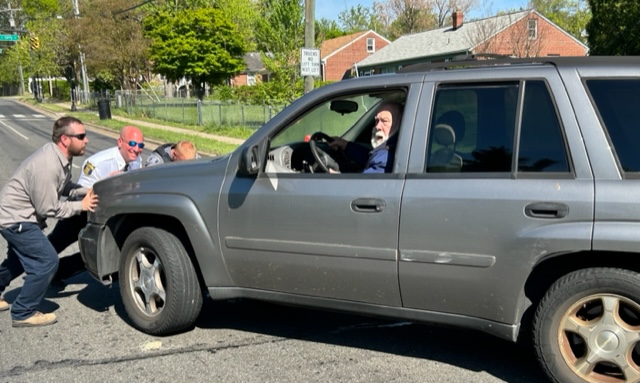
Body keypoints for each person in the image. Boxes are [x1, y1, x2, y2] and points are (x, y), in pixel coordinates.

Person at [0, 116, 99, 327]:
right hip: (16, 219)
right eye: (81, 136)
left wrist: (85, 191)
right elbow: (49, 208)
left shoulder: (61, 157)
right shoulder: (47, 164)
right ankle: (23, 311)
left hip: (16, 216)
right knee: (46, 261)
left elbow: (63, 186)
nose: (86, 140)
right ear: (65, 139)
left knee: (18, 262)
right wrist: (81, 206)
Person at [47, 125, 144, 285]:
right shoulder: (98, 162)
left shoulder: (136, 160)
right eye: (132, 144)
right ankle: (13, 272)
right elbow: (81, 192)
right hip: (81, 211)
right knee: (53, 246)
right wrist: (105, 184)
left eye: (141, 145)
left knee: (97, 254)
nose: (137, 149)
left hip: (107, 214)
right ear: (120, 142)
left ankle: (56, 272)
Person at [329, 101, 403, 173]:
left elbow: (363, 184)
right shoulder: (392, 149)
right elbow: (369, 158)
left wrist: (338, 178)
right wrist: (345, 145)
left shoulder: (387, 158)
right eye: (377, 120)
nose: (377, 126)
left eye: (384, 121)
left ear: (399, 124)